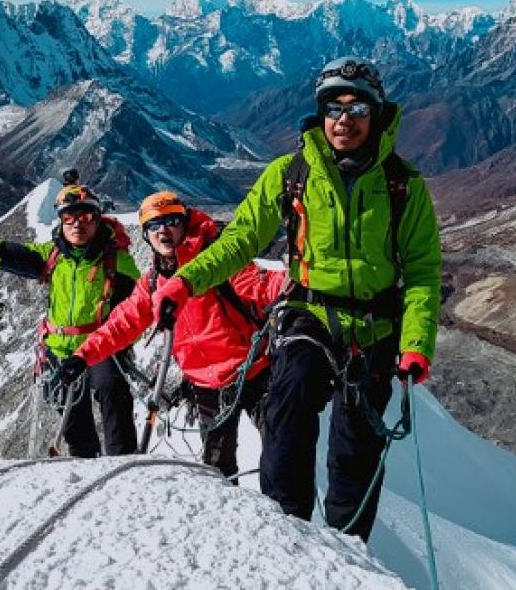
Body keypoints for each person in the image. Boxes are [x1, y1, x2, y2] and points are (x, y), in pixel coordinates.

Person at [149, 56, 441, 542]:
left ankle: (348, 547)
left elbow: (423, 273)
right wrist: (187, 281)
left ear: (378, 114)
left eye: (357, 107)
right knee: (288, 403)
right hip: (309, 310)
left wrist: (416, 344)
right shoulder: (291, 174)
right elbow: (240, 240)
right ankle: (288, 530)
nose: (344, 119)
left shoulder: (403, 186)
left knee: (357, 445)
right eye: (334, 107)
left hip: (376, 327)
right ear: (321, 113)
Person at [58, 190, 284, 479]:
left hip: (254, 374)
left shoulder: (216, 261)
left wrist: (302, 281)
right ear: (145, 234)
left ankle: (284, 520)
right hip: (206, 385)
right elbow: (120, 325)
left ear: (185, 222)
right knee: (219, 470)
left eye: (171, 221)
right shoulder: (152, 283)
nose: (163, 231)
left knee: (281, 458)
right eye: (153, 226)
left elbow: (259, 285)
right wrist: (82, 356)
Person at [0, 178, 138, 458]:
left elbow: (137, 308)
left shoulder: (117, 261)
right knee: (72, 417)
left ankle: (123, 463)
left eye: (85, 216)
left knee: (112, 389)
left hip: (102, 345)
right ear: (60, 221)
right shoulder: (52, 257)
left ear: (97, 219)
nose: (76, 223)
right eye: (69, 217)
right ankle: (86, 466)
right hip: (60, 347)